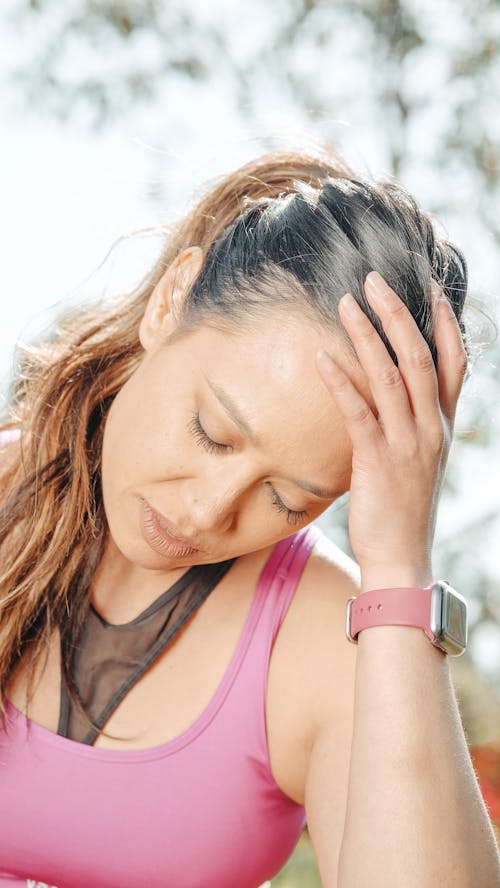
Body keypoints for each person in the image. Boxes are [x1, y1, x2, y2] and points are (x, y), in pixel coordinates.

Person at [0, 147, 499, 888]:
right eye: (212, 430)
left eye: (287, 499)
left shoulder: (327, 642)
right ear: (172, 301)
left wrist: (398, 567)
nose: (205, 510)